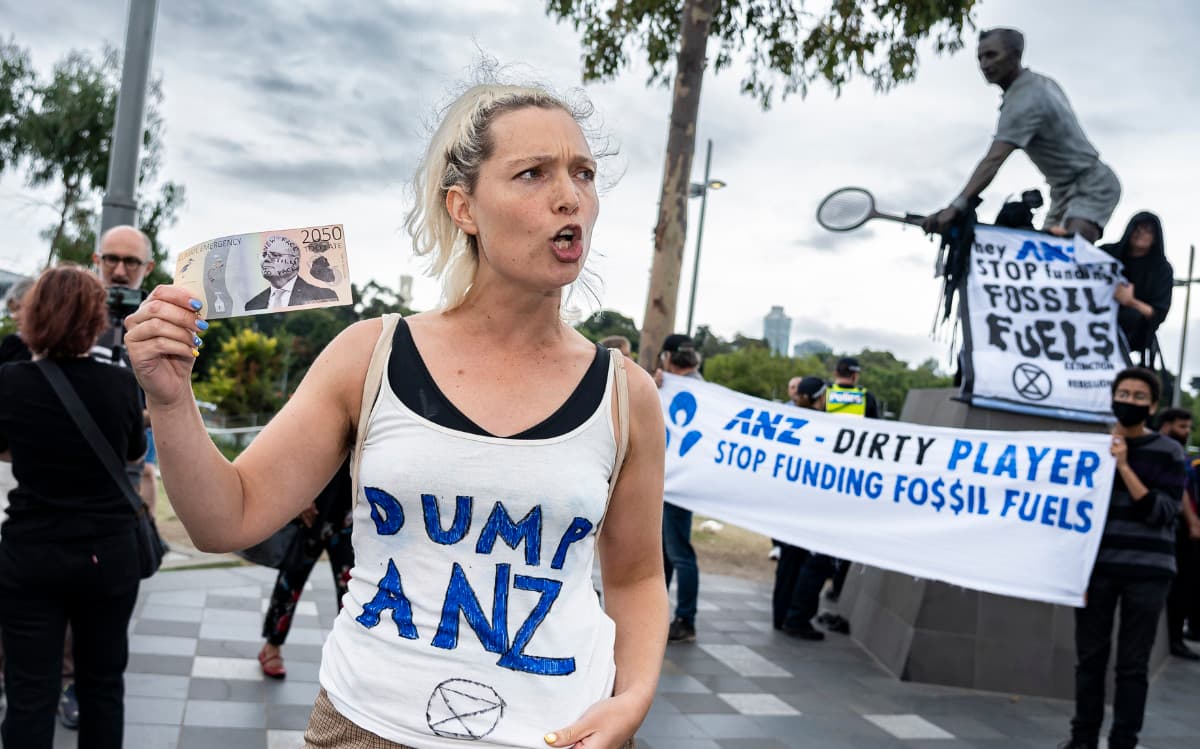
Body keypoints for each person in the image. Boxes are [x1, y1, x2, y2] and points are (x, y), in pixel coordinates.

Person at [125, 80, 667, 748]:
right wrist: (171, 400)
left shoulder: (625, 393)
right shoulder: (371, 356)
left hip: (561, 733)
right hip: (368, 727)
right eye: (533, 173)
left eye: (583, 173)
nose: (570, 197)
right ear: (463, 207)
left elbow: (638, 575)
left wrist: (634, 697)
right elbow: (224, 516)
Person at [0, 265, 146, 749]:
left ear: (33, 316)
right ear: (95, 319)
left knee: (28, 691)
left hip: (31, 553)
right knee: (103, 686)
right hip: (107, 555)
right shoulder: (122, 385)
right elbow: (131, 454)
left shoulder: (11, 381)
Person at [1060, 367, 1185, 749]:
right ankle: (1082, 738)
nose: (1129, 402)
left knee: (1132, 666)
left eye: (1139, 397)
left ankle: (1123, 741)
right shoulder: (1092, 449)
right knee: (1090, 659)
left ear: (1153, 406)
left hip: (1147, 573)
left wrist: (1125, 466)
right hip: (1097, 570)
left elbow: (1163, 512)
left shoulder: (1169, 452)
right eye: (1124, 394)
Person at [923, 28, 1120, 243]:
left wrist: (956, 206)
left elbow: (994, 159)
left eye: (991, 55)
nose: (984, 65)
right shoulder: (1039, 83)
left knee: (1070, 256)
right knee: (1044, 261)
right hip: (1062, 192)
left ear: (1015, 54)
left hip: (1091, 185)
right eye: (980, 58)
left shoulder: (1025, 101)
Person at [259, 460, 354, 679]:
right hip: (314, 508)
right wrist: (299, 494)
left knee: (353, 589)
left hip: (353, 509)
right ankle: (271, 647)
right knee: (292, 579)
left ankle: (350, 657)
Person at [771, 376, 839, 640]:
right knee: (817, 561)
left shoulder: (788, 420)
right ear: (820, 398)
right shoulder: (822, 426)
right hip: (811, 506)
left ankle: (782, 615)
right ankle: (797, 617)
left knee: (790, 558)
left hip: (788, 503)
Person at [655, 333, 703, 643]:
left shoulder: (691, 389)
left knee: (677, 552)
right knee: (665, 553)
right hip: (671, 482)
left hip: (677, 484)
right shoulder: (696, 387)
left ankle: (685, 617)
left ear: (669, 358)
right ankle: (661, 613)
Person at [1157, 407, 1200, 660]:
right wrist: (1193, 521)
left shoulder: (1179, 454)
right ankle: (1174, 639)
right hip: (1177, 528)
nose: (1186, 432)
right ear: (1166, 425)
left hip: (1181, 528)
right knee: (1181, 585)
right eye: (1182, 427)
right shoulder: (1168, 453)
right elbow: (1181, 489)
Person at [1102, 212, 1173, 364]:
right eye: (1137, 229)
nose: (1141, 234)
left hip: (1133, 331)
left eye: (1148, 231)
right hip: (1094, 317)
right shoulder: (1106, 253)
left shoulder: (1162, 269)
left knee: (1131, 315)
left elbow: (1157, 313)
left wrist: (1130, 301)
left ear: (1155, 237)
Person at [244, 235, 339, 311]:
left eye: (275, 255)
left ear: (294, 262)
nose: (266, 259)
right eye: (264, 255)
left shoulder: (324, 295)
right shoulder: (252, 305)